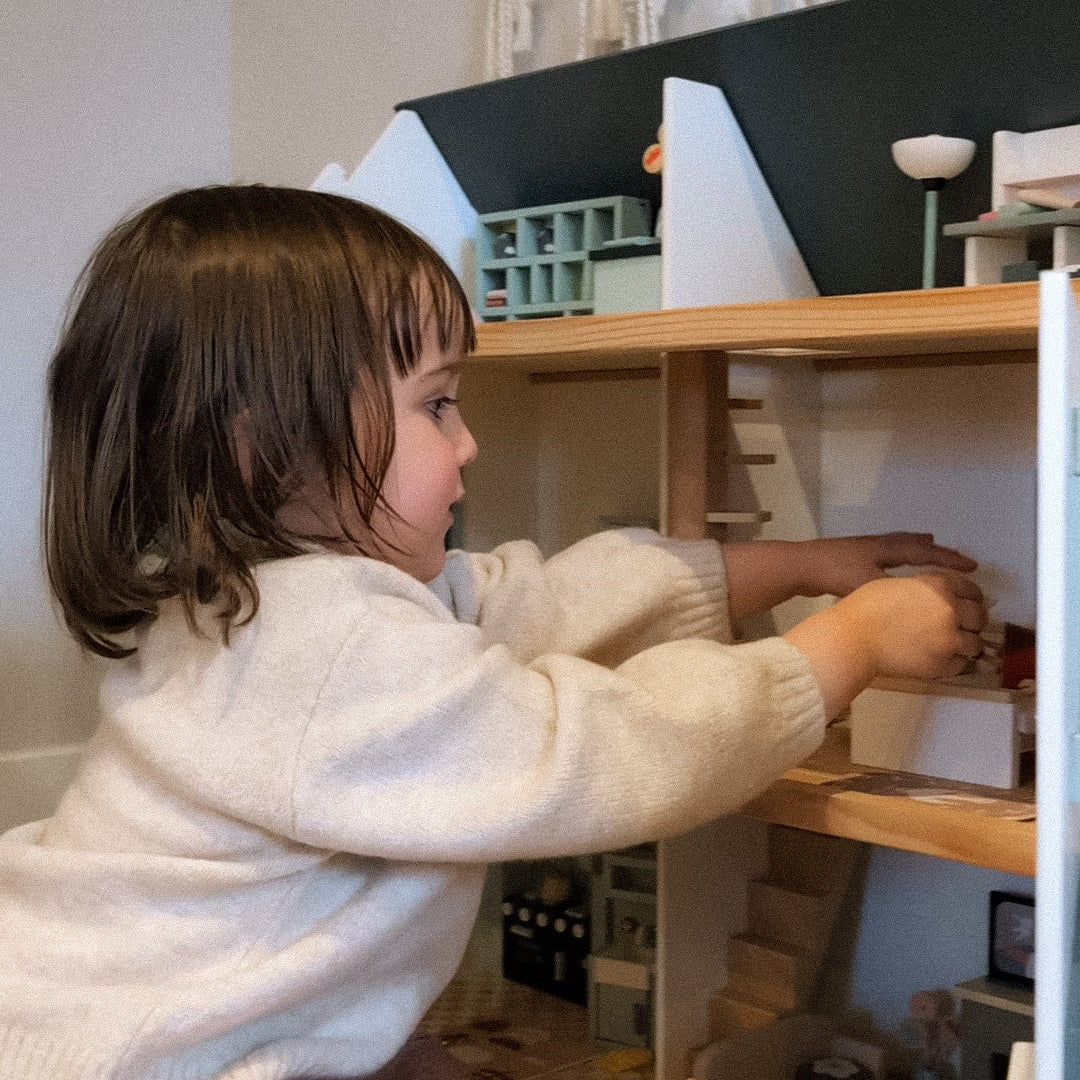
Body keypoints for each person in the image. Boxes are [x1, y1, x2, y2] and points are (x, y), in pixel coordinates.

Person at [0, 185, 986, 1080]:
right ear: (270, 445)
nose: (468, 440)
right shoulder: (322, 647)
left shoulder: (254, 599)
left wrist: (790, 565)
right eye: (436, 404)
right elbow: (595, 745)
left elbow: (529, 602)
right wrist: (844, 649)